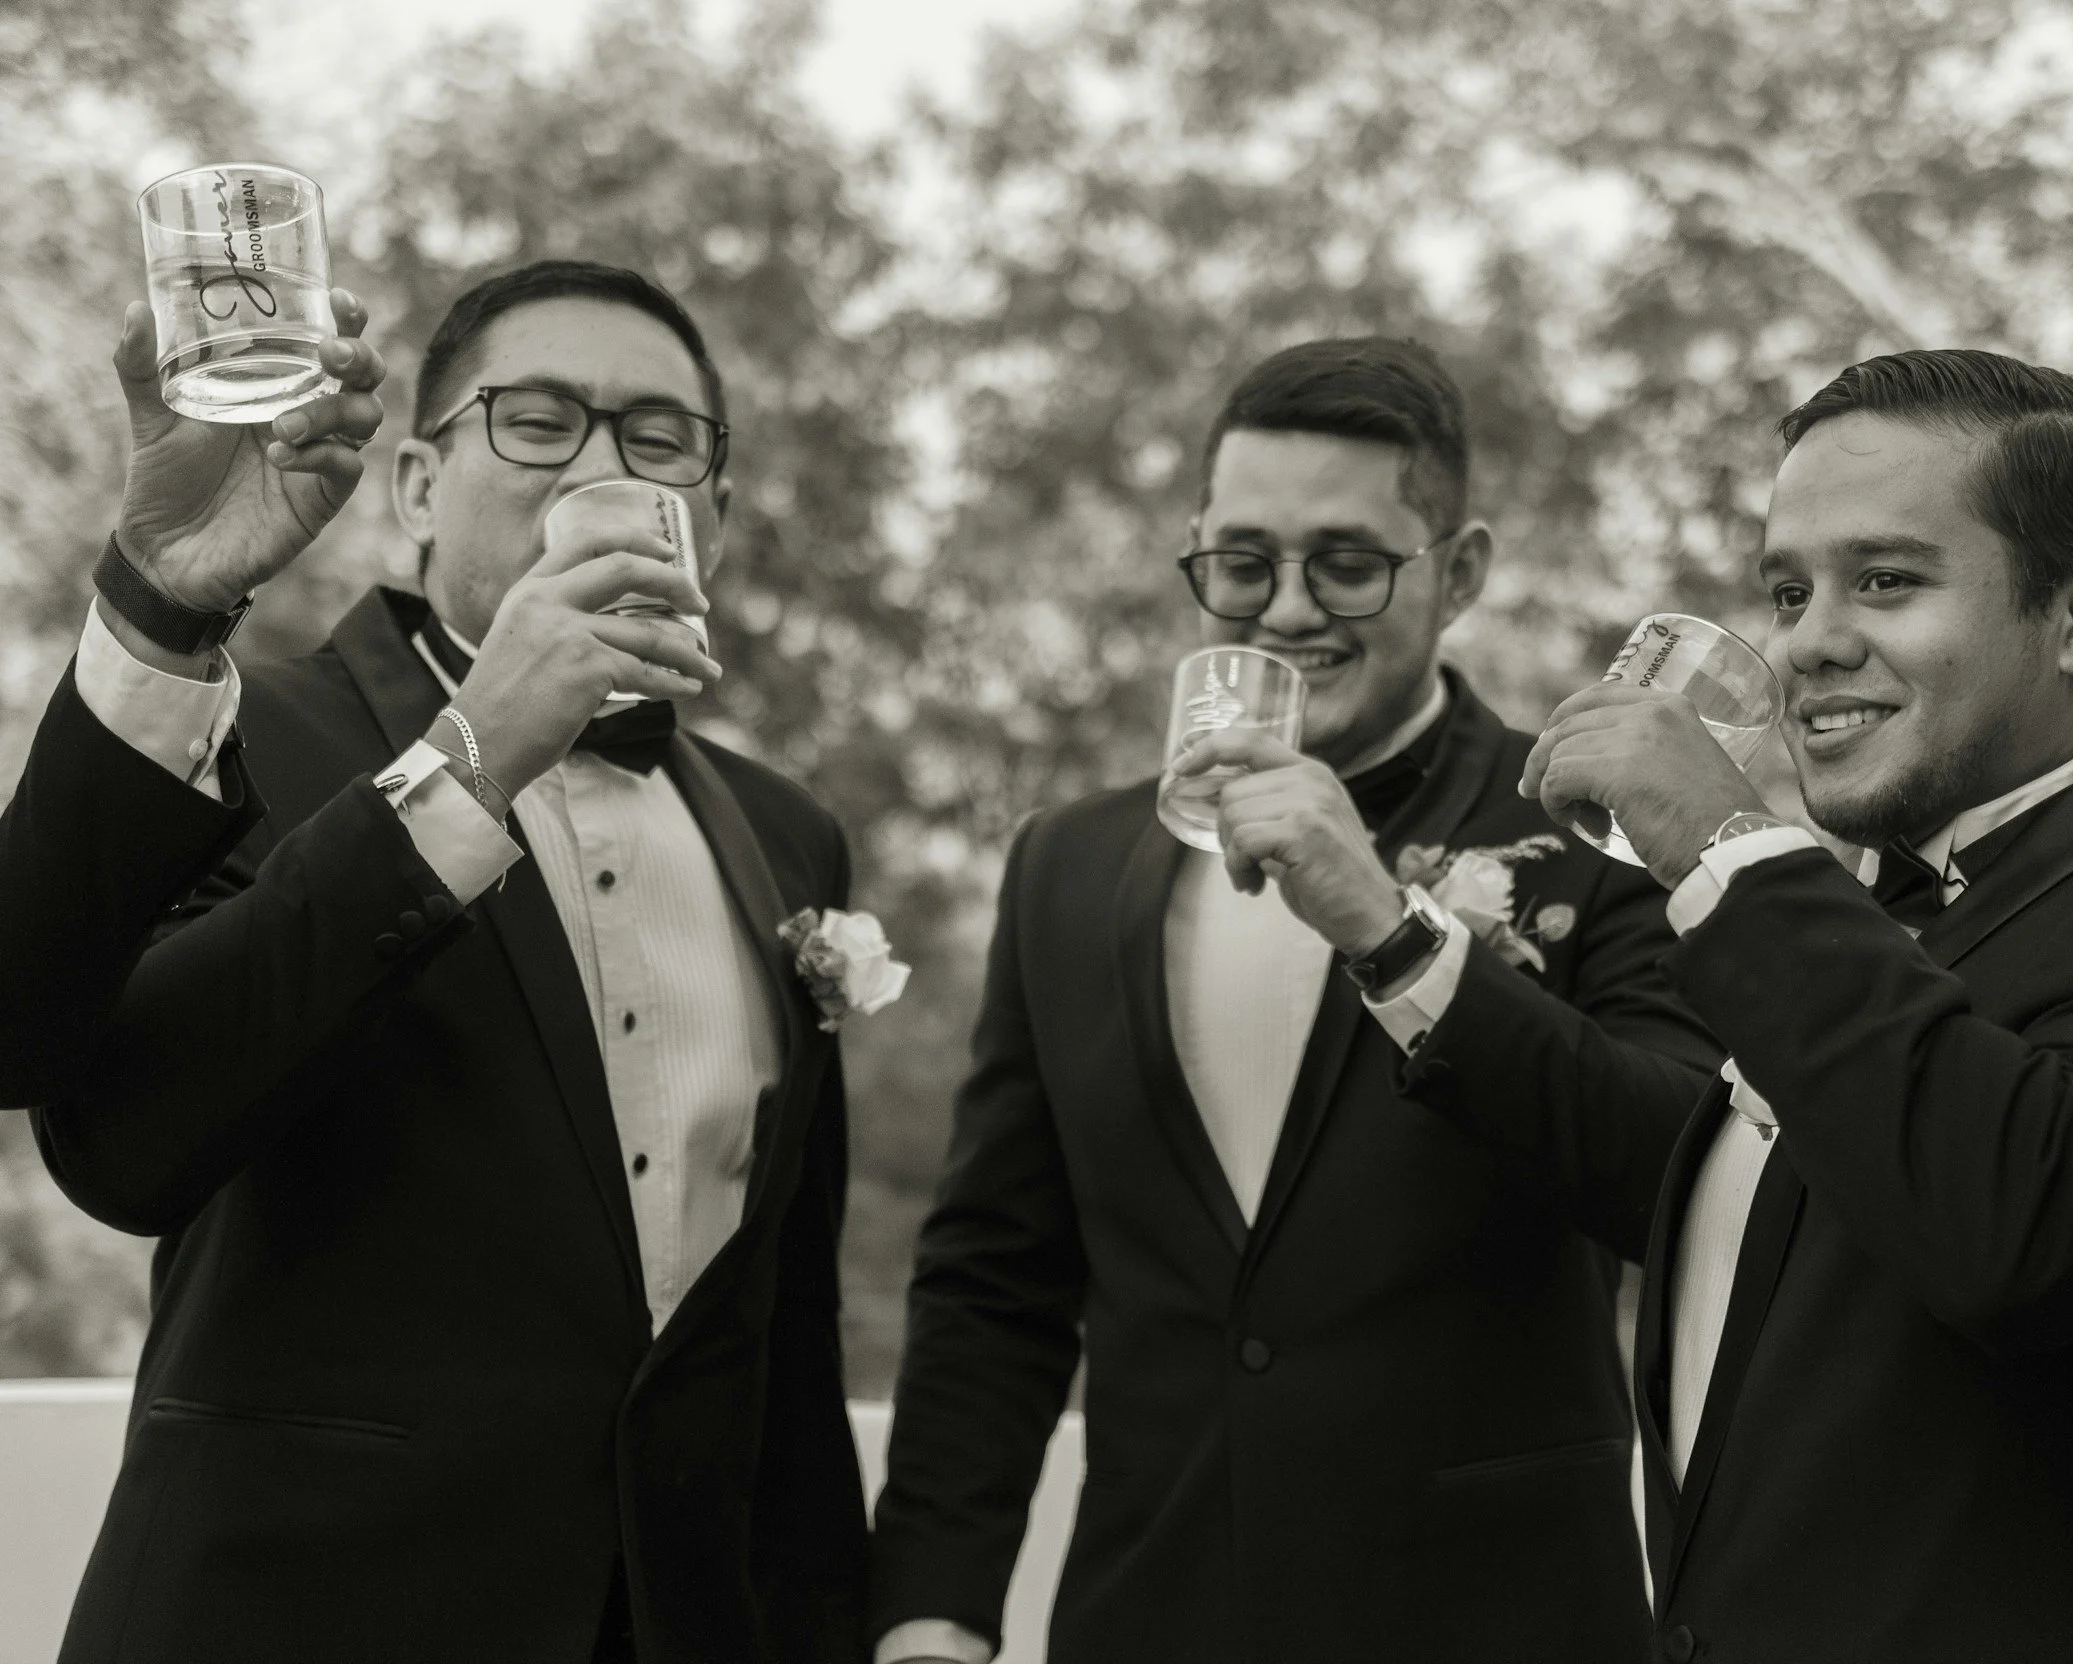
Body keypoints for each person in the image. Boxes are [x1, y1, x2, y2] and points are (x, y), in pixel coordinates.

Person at [1454, 349, 2073, 1663]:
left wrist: (1728, 843)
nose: (1807, 641)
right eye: (1789, 590)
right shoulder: (1851, 934)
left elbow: (2021, 1226)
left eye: (1886, 580)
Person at [15, 260, 870, 1664]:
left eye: (661, 438)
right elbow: (112, 1139)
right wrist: (475, 760)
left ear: (712, 505)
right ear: (416, 485)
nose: (605, 465)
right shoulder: (241, 737)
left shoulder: (788, 834)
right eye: (537, 420)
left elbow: (780, 1331)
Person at [868, 338, 1718, 1664]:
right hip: (1152, 1618)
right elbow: (996, 1278)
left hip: (1493, 1622)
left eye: (1347, 562)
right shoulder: (1065, 867)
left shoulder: (1595, 825)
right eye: (1244, 561)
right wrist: (933, 1614)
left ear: (1465, 570)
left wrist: (1389, 928)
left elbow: (1675, 1179)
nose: (1285, 611)